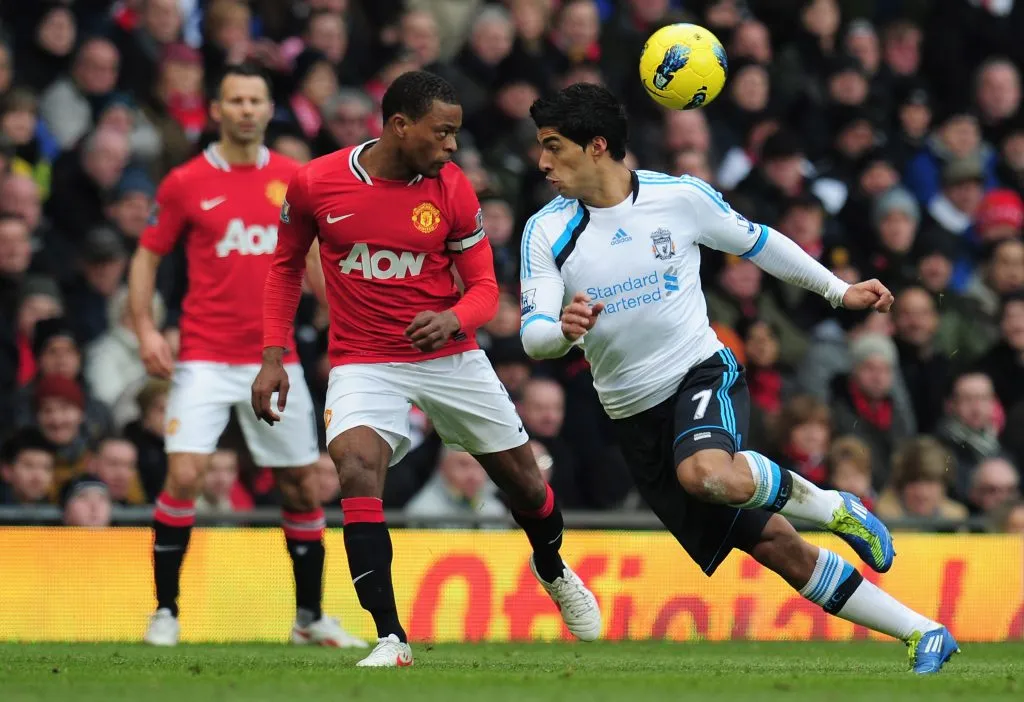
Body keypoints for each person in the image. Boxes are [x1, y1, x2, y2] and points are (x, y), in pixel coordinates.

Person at [518, 83, 958, 675]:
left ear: (597, 146)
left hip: (701, 373)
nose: (542, 161)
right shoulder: (545, 231)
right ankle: (924, 631)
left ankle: (832, 505)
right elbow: (533, 335)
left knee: (705, 473)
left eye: (553, 146)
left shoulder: (679, 198)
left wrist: (837, 289)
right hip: (631, 415)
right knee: (778, 547)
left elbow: (758, 242)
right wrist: (564, 331)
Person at [253, 70, 601, 668]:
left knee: (524, 483)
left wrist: (452, 319)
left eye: (456, 134)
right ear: (399, 126)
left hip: (449, 355)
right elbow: (285, 267)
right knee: (355, 467)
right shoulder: (315, 183)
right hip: (364, 359)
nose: (452, 146)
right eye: (442, 133)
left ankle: (551, 565)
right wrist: (272, 355)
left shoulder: (452, 188)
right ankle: (392, 637)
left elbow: (487, 288)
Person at [128, 63, 362, 649]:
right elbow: (147, 256)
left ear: (267, 108)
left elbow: (311, 258)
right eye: (235, 100)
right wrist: (146, 329)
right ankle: (165, 613)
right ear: (217, 110)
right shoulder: (184, 182)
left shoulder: (293, 177)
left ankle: (309, 618)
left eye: (255, 100)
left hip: (272, 359)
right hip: (204, 356)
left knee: (301, 487)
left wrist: (344, 317)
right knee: (184, 474)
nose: (246, 110)